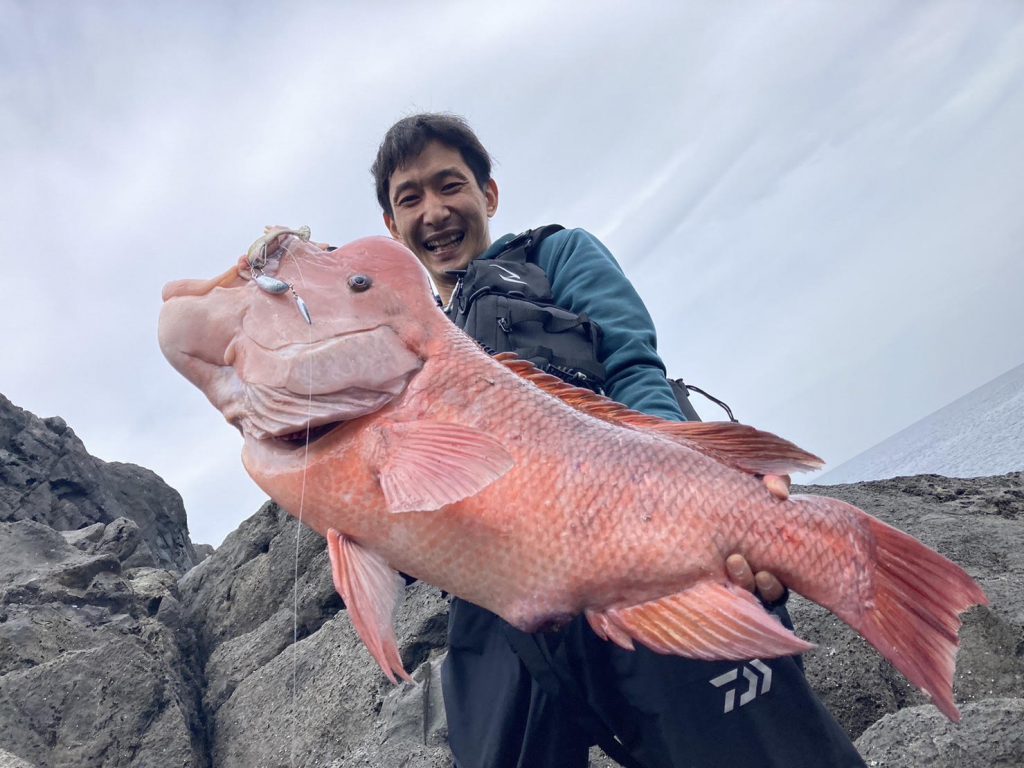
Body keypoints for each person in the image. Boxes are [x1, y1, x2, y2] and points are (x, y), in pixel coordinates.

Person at [370, 113, 864, 768]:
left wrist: (704, 490)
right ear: (391, 228)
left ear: (488, 195)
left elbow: (635, 371)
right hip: (495, 606)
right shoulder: (398, 349)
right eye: (411, 198)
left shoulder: (560, 254)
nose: (434, 211)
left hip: (634, 537)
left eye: (449, 185)